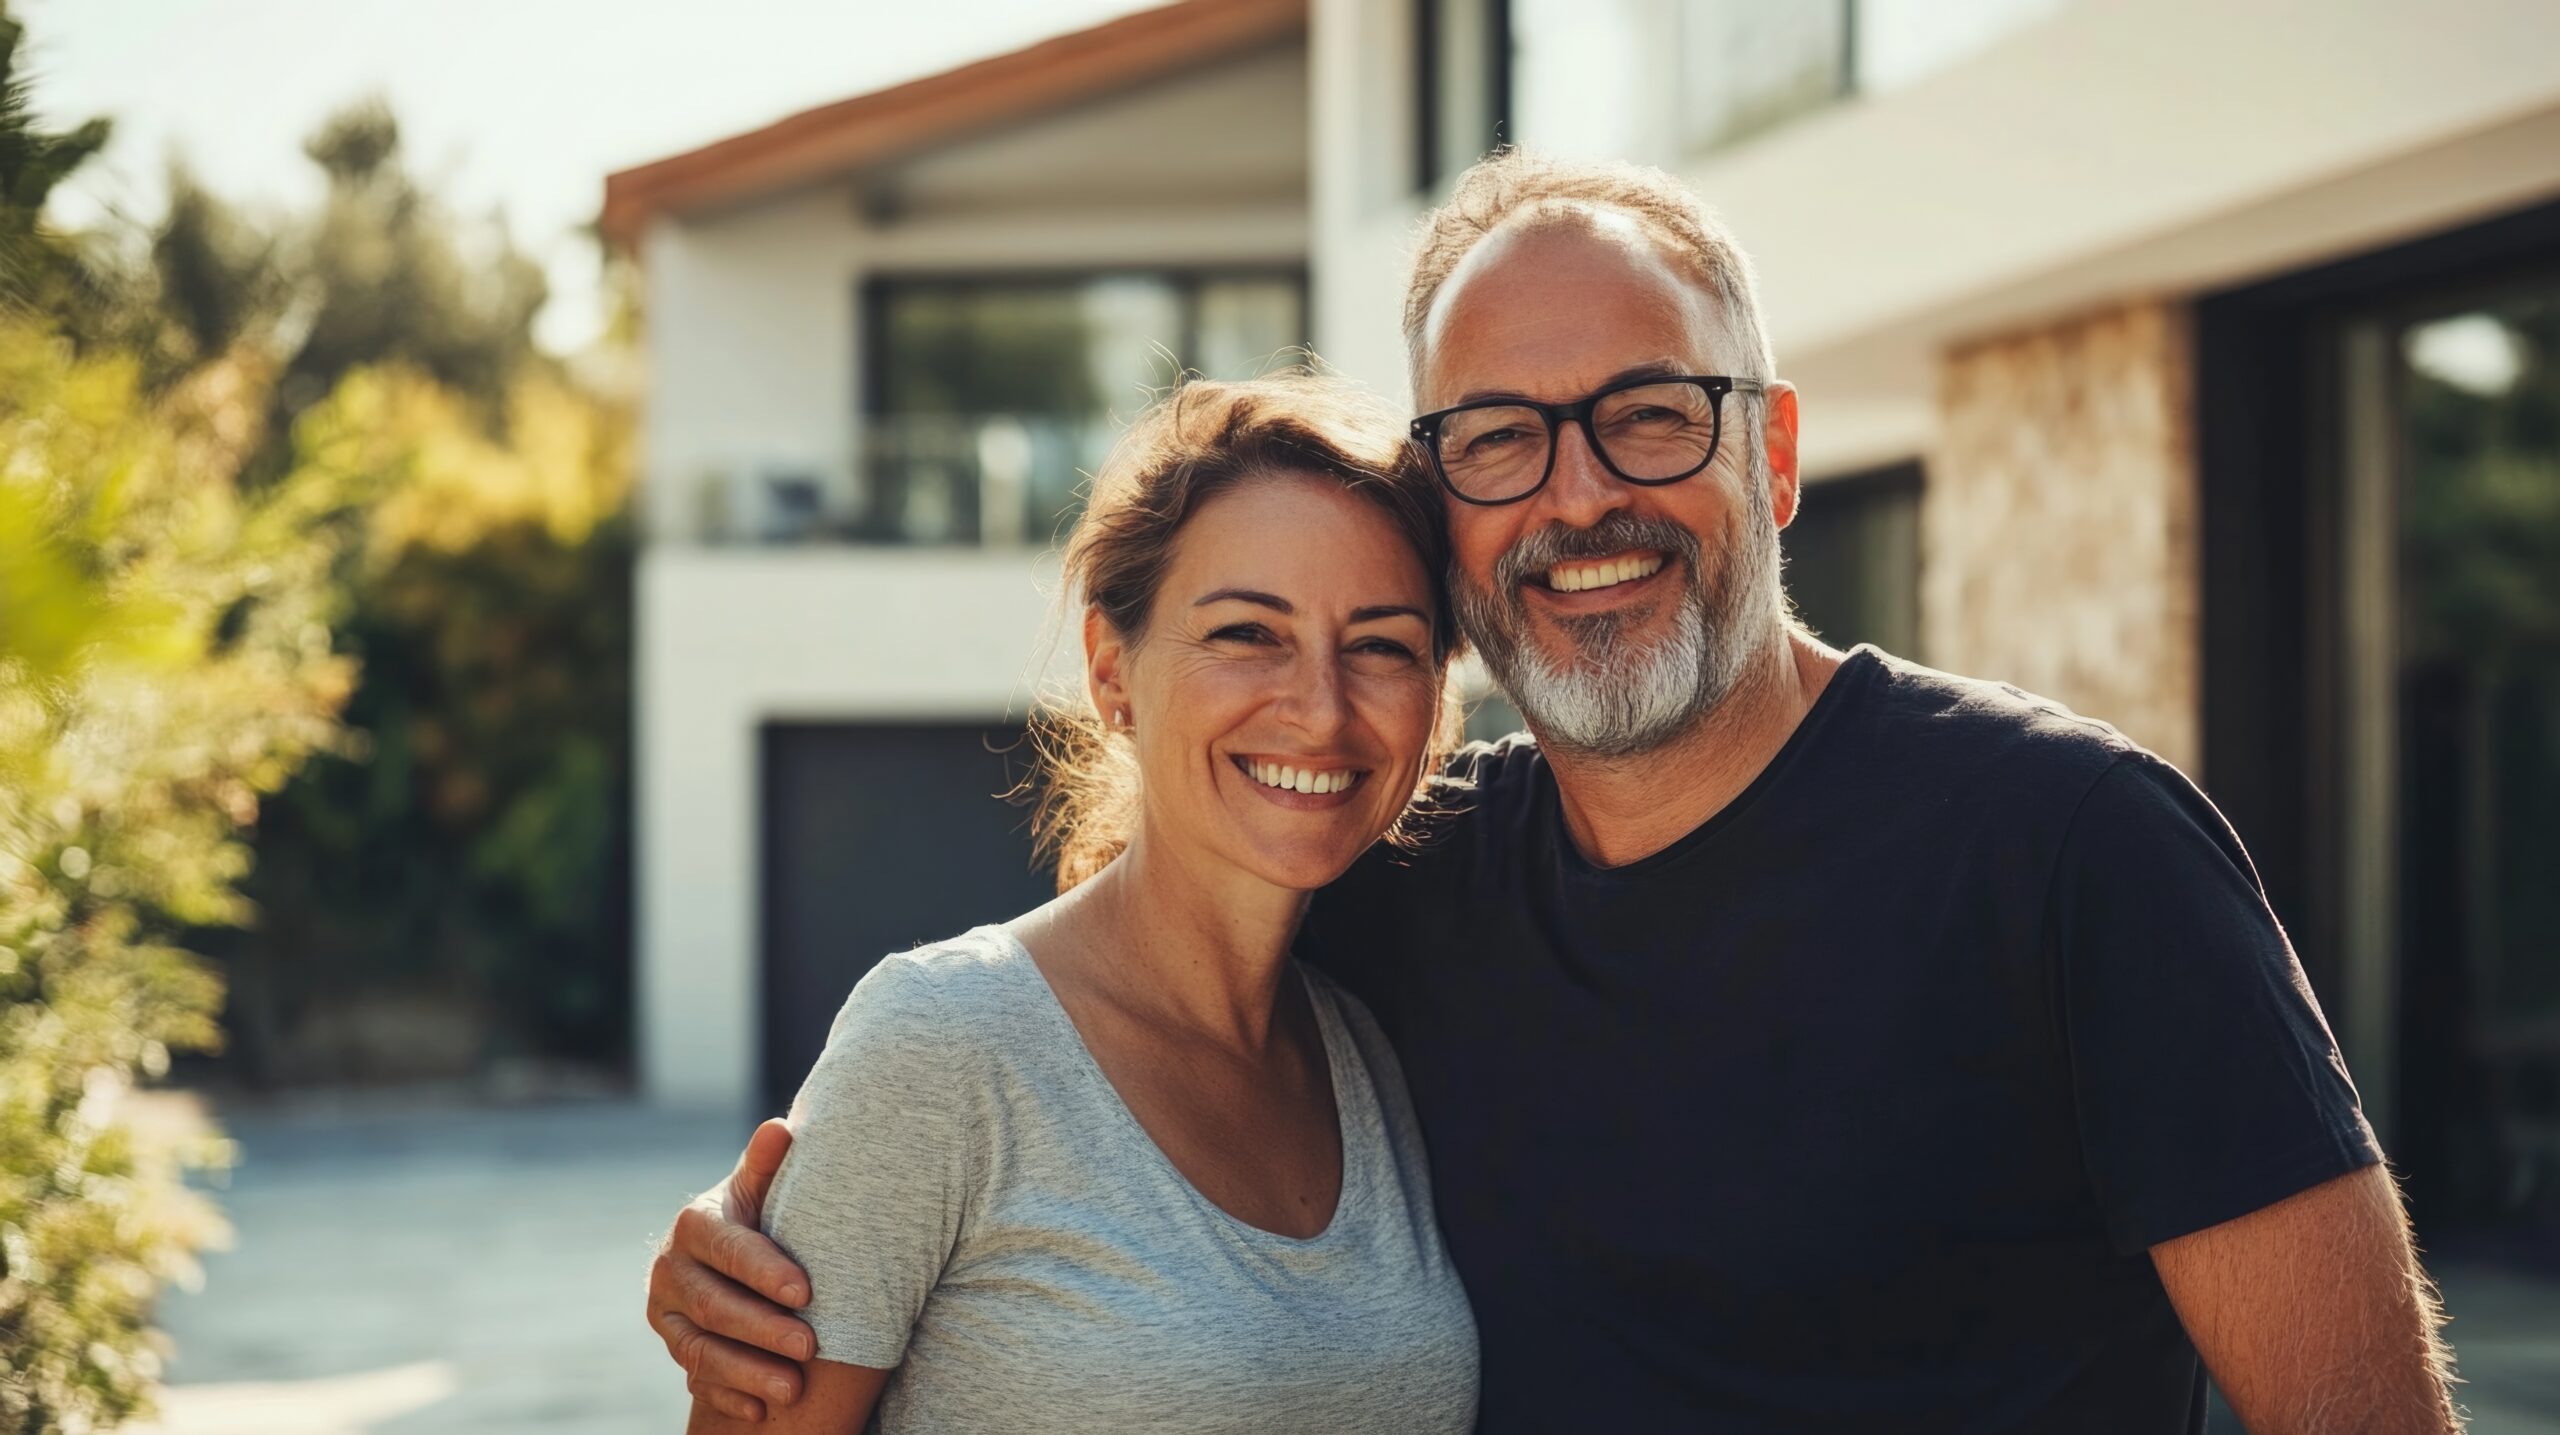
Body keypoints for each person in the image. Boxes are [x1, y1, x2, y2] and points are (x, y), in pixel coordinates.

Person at [652, 152, 2462, 1433]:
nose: (1579, 495)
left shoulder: (2075, 850)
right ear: (1453, 512)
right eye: (1503, 438)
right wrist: (778, 1249)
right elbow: (1088, 1026)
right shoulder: (1400, 890)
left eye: (1650, 412)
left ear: (1774, 452)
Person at [681, 376, 1480, 1433]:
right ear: (1112, 670)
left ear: (1435, 701)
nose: (1320, 708)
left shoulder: (1368, 1054)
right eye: (1248, 632)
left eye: (1380, 644)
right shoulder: (943, 1044)